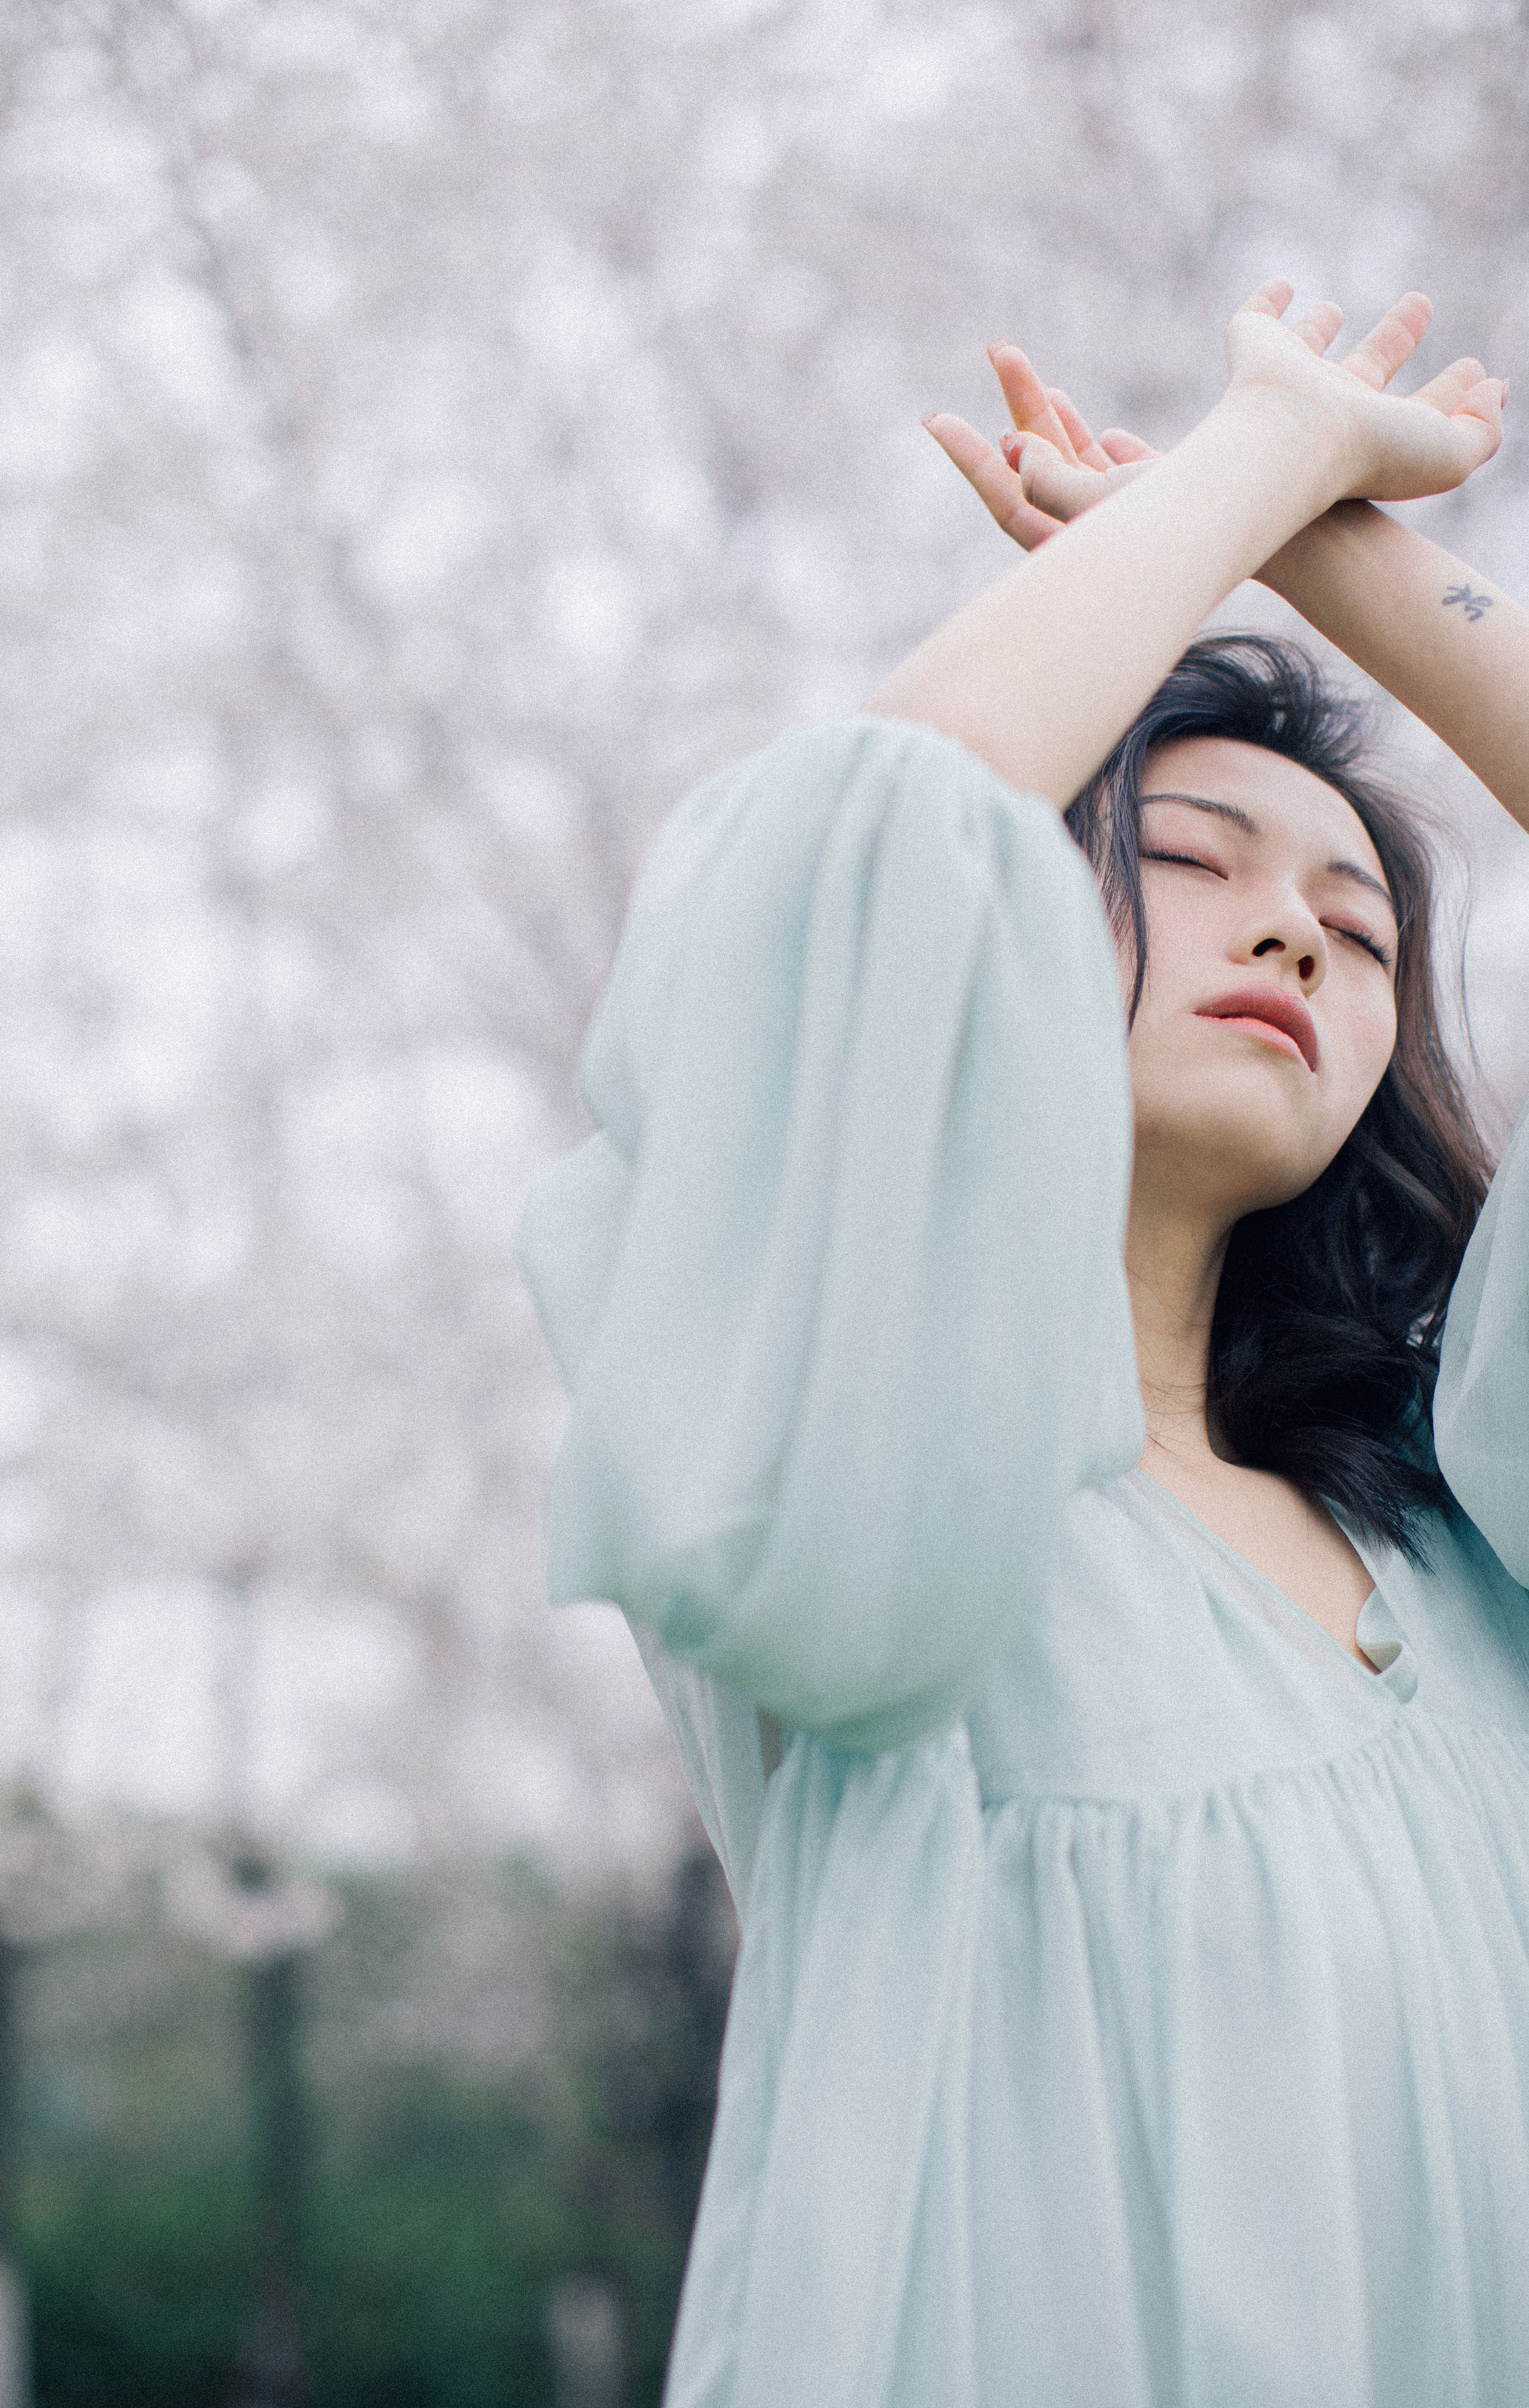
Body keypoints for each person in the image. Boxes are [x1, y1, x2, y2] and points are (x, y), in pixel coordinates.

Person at [517, 282, 1529, 2406]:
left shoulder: (1472, 1549)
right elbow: (863, 856)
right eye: (1185, 860)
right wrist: (1258, 444)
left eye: (1360, 934)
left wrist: (1329, 545)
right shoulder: (902, 1505)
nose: (1288, 932)